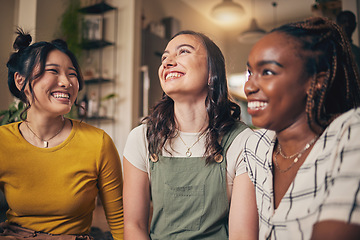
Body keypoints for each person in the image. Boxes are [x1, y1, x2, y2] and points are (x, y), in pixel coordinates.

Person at [123, 30, 258, 239]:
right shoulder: (141, 138)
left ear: (212, 70)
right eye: (164, 58)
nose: (168, 62)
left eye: (183, 52)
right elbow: (134, 226)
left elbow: (242, 235)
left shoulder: (242, 141)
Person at [243, 17, 360, 239]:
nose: (249, 86)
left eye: (267, 72)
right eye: (250, 73)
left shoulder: (350, 134)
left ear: (315, 80)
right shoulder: (256, 146)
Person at [0, 29, 124, 239]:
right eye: (53, 71)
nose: (67, 82)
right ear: (21, 81)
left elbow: (120, 221)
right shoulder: (3, 140)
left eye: (72, 74)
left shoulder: (98, 142)